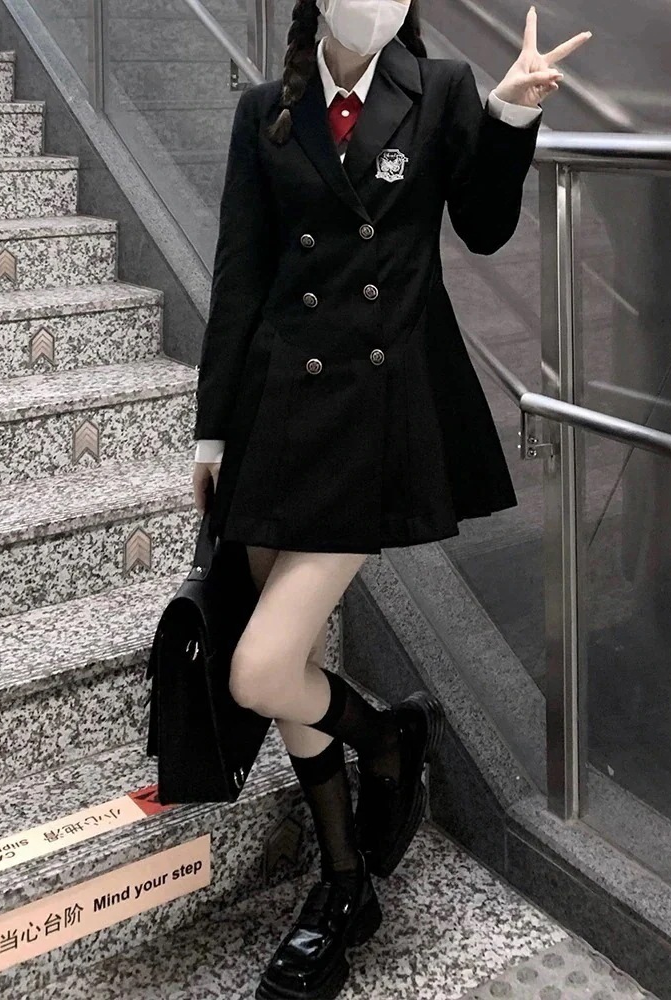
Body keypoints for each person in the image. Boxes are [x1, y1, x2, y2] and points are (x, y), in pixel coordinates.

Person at [190, 3, 591, 997]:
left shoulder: (441, 91)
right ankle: (343, 882)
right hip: (278, 413)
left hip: (374, 421)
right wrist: (212, 429)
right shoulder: (263, 110)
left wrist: (509, 116)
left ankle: (386, 742)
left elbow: (486, 229)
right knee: (292, 664)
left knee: (260, 669)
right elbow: (240, 273)